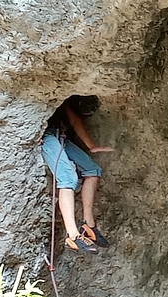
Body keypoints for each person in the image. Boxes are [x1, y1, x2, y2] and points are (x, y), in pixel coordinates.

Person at [42, 96, 114, 255]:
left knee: (93, 171)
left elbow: (75, 121)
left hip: (59, 137)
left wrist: (92, 146)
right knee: (68, 178)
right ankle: (73, 235)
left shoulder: (65, 103)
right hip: (46, 136)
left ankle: (88, 224)